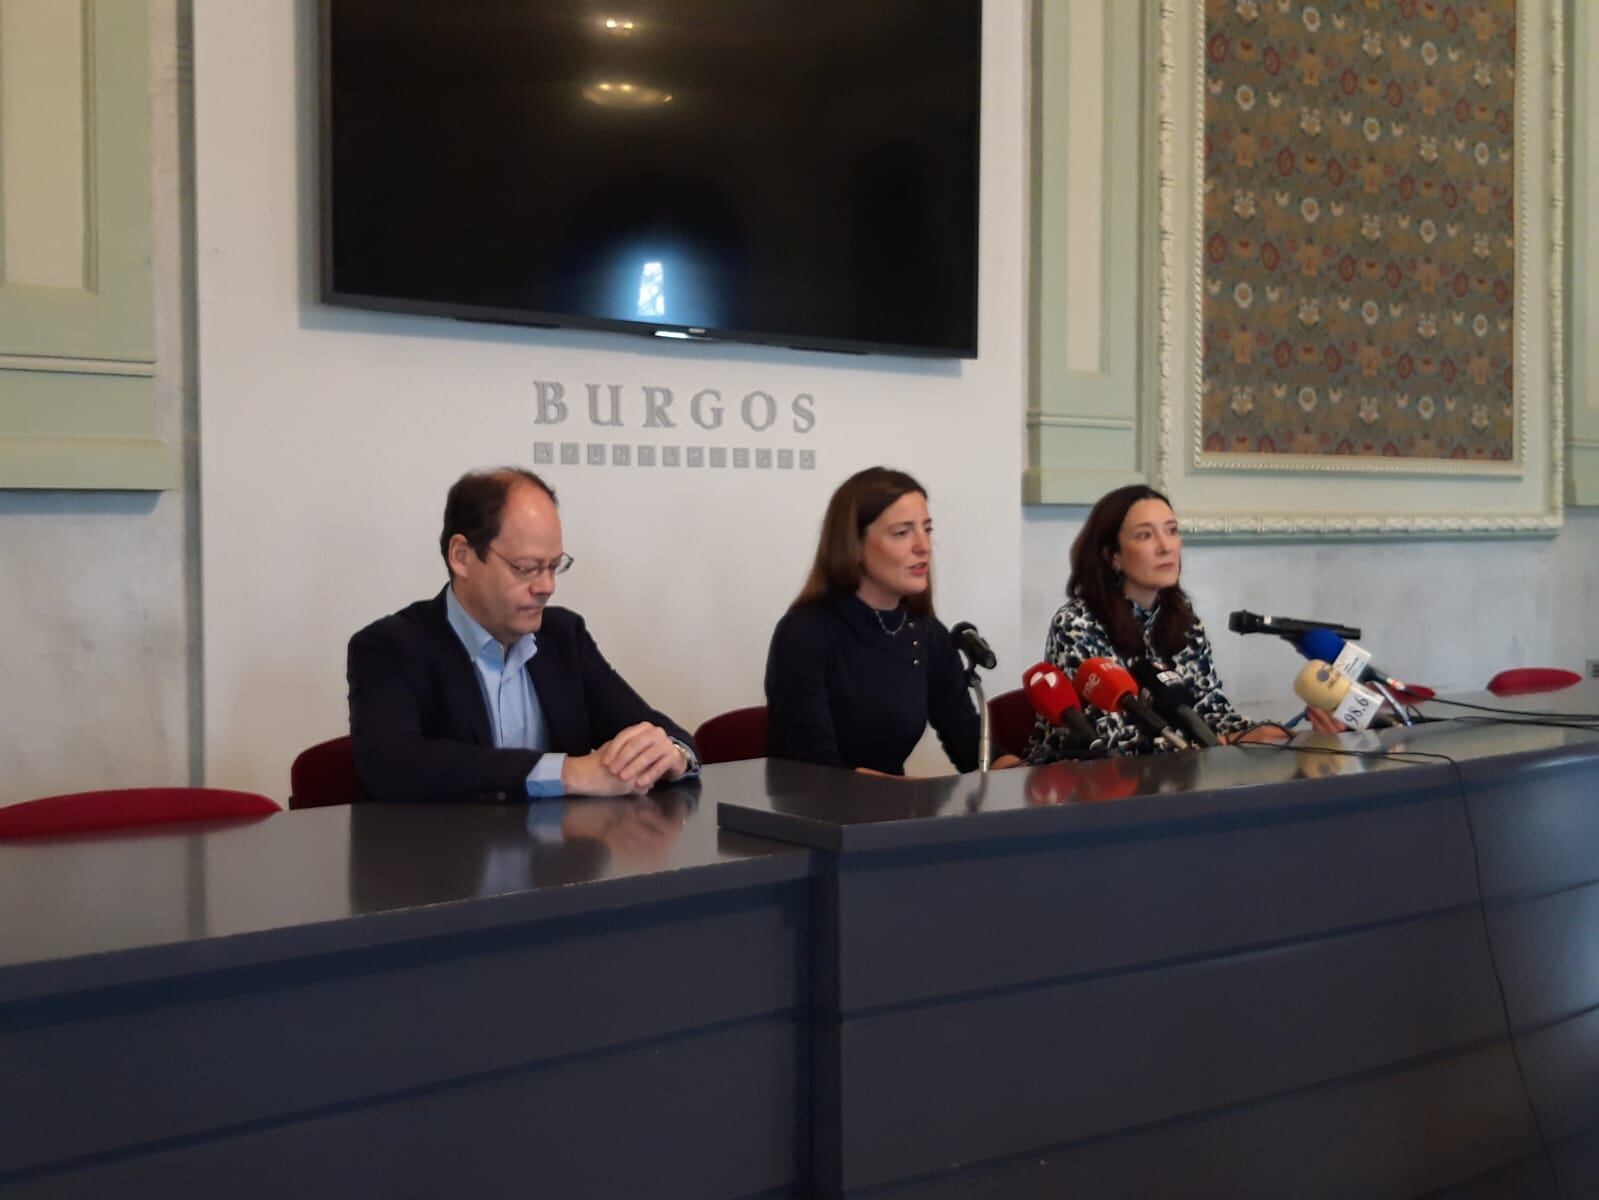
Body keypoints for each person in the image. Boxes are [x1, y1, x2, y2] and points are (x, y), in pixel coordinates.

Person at [347, 467, 698, 802]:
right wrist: (568, 772)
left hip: (559, 860)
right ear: (462, 556)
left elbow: (656, 729)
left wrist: (670, 754)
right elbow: (393, 766)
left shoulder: (563, 637)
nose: (547, 587)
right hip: (442, 861)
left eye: (554, 566)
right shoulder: (390, 647)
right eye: (527, 568)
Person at [1026, 484, 1340, 761]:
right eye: (1146, 535)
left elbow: (1212, 712)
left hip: (1176, 781)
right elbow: (1114, 744)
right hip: (1079, 790)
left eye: (1172, 530)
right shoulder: (1077, 624)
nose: (1166, 546)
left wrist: (1284, 735)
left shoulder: (1182, 619)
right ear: (1113, 556)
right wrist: (1226, 743)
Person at [765, 466, 1005, 777]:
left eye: (927, 529)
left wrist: (1024, 774)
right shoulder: (804, 634)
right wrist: (914, 798)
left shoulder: (928, 633)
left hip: (894, 816)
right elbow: (817, 771)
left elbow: (969, 744)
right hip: (817, 817)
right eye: (902, 533)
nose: (924, 546)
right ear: (854, 546)